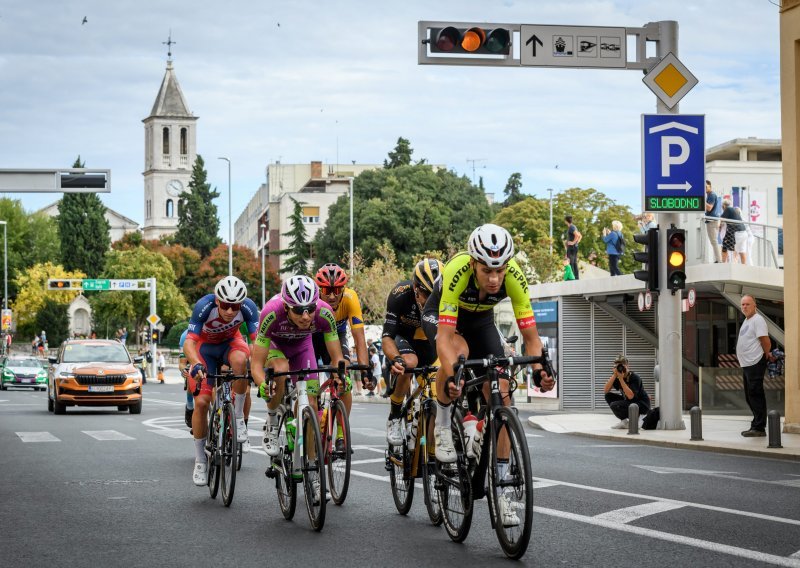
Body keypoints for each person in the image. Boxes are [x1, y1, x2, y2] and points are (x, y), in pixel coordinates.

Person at [421, 224, 555, 527]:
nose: (495, 279)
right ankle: (443, 425)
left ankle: (503, 490)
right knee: (458, 353)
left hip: (481, 321)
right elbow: (443, 339)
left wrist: (538, 369)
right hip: (444, 317)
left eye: (500, 270)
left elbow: (530, 336)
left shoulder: (515, 278)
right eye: (487, 271)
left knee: (503, 392)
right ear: (473, 265)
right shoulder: (458, 271)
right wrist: (454, 373)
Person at [251, 275, 345, 504]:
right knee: (281, 369)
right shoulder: (271, 313)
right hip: (275, 347)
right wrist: (263, 383)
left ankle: (311, 469)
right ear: (285, 306)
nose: (305, 316)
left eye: (310, 309)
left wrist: (340, 375)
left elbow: (336, 357)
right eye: (298, 310)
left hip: (303, 348)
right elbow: (255, 365)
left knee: (311, 403)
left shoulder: (323, 313)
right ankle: (273, 422)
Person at [184, 276, 260, 487]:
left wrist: (257, 365)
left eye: (234, 306)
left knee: (241, 361)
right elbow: (189, 343)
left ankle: (237, 418)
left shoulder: (248, 307)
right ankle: (200, 460)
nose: (229, 311)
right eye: (225, 305)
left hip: (231, 344)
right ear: (217, 300)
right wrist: (196, 364)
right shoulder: (204, 305)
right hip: (205, 349)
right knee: (201, 402)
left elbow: (257, 342)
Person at [382, 258, 440, 445]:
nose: (430, 300)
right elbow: (387, 336)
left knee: (437, 386)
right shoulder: (400, 294)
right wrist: (395, 358)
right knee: (409, 363)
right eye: (426, 294)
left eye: (435, 295)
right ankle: (395, 416)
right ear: (415, 287)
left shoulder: (447, 296)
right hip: (403, 339)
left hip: (429, 344)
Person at [311, 264, 372, 419]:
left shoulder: (350, 298)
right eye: (327, 290)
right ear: (319, 290)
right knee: (308, 384)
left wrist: (365, 370)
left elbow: (359, 338)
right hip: (312, 337)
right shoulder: (311, 300)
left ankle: (340, 432)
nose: (332, 296)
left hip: (337, 335)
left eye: (337, 290)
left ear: (343, 289)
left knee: (343, 374)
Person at [735, 295, 774, 437]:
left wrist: (766, 354)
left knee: (755, 393)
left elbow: (765, 340)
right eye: (743, 304)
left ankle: (759, 427)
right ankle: (756, 424)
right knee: (749, 395)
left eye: (747, 304)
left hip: (755, 362)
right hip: (747, 364)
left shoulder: (758, 320)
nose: (744, 306)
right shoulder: (747, 320)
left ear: (754, 306)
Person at [603, 355, 651, 429]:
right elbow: (606, 390)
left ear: (627, 365)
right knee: (608, 396)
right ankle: (624, 422)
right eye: (617, 365)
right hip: (629, 402)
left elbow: (631, 396)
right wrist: (614, 375)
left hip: (641, 405)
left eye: (621, 365)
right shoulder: (617, 376)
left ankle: (639, 418)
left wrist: (621, 379)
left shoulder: (634, 377)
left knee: (614, 405)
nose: (620, 367)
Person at [720, 198, 747, 264]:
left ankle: (723, 263)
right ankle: (744, 266)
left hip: (736, 233)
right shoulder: (735, 210)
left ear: (723, 206)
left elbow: (720, 220)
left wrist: (718, 226)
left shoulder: (727, 209)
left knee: (725, 246)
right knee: (741, 251)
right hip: (743, 233)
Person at [704, 180, 723, 263]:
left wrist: (701, 200)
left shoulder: (712, 195)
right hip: (712, 220)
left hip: (712, 221)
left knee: (714, 241)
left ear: (710, 186)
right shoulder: (709, 195)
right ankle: (718, 259)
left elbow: (709, 208)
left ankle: (719, 260)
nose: (704, 188)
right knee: (713, 241)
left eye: (706, 187)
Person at [564, 215, 582, 279]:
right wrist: (576, 242)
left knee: (571, 262)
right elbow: (580, 236)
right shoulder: (573, 227)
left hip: (572, 248)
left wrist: (573, 242)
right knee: (574, 262)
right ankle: (576, 277)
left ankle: (573, 277)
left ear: (566, 221)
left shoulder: (571, 227)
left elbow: (577, 235)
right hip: (573, 247)